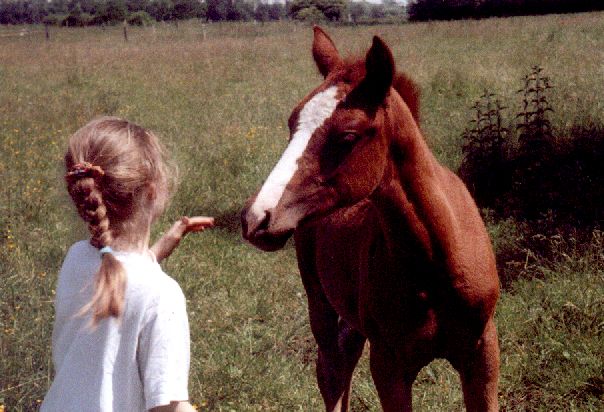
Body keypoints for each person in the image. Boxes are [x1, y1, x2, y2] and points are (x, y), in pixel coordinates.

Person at [41, 117, 214, 412]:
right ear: (151, 193)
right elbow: (169, 408)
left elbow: (121, 281)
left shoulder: (76, 259)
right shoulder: (162, 295)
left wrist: (160, 248)